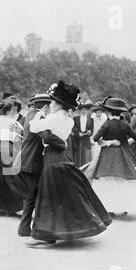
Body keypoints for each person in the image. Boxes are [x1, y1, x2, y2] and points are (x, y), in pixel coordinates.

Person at [28, 81, 111, 244]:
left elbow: (34, 128)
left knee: (49, 195)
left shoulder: (53, 117)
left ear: (58, 104)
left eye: (52, 102)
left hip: (52, 158)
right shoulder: (69, 120)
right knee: (63, 194)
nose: (50, 105)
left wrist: (38, 115)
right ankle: (62, 230)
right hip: (63, 157)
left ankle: (47, 234)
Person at [85, 97, 136, 216]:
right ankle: (124, 206)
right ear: (120, 112)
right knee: (123, 181)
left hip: (107, 157)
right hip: (123, 155)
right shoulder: (125, 124)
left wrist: (109, 142)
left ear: (109, 112)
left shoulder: (106, 124)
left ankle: (109, 208)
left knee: (108, 181)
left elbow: (95, 139)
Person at [17, 94, 67, 237]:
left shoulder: (29, 115)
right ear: (44, 107)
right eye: (49, 107)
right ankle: (32, 229)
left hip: (27, 160)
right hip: (33, 162)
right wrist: (63, 143)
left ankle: (25, 228)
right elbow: (48, 136)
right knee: (34, 197)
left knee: (30, 197)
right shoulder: (38, 117)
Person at [72, 101, 94, 167]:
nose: (83, 111)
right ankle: (77, 167)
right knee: (78, 154)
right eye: (82, 110)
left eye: (85, 110)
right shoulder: (76, 119)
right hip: (78, 139)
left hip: (86, 139)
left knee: (86, 154)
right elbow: (73, 127)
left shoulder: (91, 119)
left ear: (87, 110)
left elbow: (91, 128)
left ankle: (86, 167)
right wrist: (78, 133)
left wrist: (89, 132)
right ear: (80, 111)